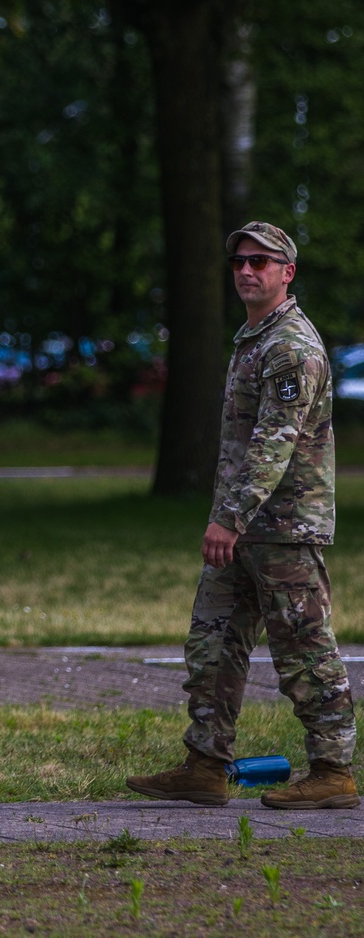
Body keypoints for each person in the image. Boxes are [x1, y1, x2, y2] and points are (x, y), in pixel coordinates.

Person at [126, 221, 359, 810]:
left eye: (262, 261)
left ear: (288, 272)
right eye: (239, 262)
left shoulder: (290, 347)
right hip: (244, 528)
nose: (248, 271)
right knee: (213, 641)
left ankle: (333, 772)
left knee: (303, 649)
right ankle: (205, 765)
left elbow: (274, 443)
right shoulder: (254, 338)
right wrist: (231, 520)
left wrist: (228, 517)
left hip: (281, 529)